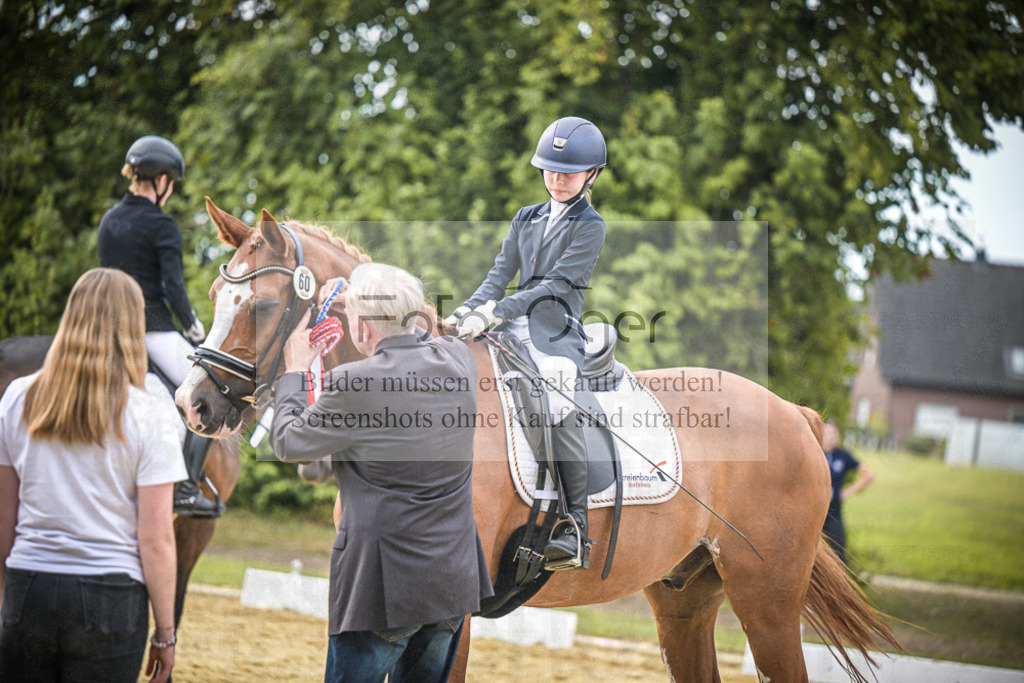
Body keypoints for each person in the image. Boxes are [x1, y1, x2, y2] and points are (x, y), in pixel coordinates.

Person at [270, 263, 493, 683]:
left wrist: (297, 370)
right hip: (451, 580)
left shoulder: (352, 382)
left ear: (364, 330)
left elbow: (288, 441)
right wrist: (368, 302)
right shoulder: (460, 360)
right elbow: (425, 333)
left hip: (380, 587)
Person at [0, 268, 185, 682]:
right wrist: (166, 634)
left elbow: (4, 520)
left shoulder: (17, 398)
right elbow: (155, 538)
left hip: (29, 585)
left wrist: (6, 603)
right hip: (111, 598)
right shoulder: (151, 412)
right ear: (132, 324)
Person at [446, 116, 608, 570]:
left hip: (554, 334)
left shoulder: (591, 226)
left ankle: (576, 527)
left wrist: (497, 312)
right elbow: (499, 274)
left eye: (569, 173)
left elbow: (557, 284)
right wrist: (466, 310)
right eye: (550, 170)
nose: (557, 180)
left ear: (590, 175)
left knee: (558, 397)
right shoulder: (526, 217)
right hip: (509, 325)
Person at [98, 135, 219, 518]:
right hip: (152, 328)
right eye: (171, 181)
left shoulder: (109, 220)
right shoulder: (161, 225)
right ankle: (185, 489)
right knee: (211, 388)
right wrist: (193, 325)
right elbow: (172, 286)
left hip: (108, 328)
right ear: (161, 179)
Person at [822, 421, 875, 565]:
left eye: (833, 434)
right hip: (815, 509)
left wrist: (846, 493)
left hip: (834, 510)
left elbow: (869, 475)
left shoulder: (842, 456)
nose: (829, 437)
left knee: (838, 552)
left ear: (838, 436)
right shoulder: (814, 452)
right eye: (826, 433)